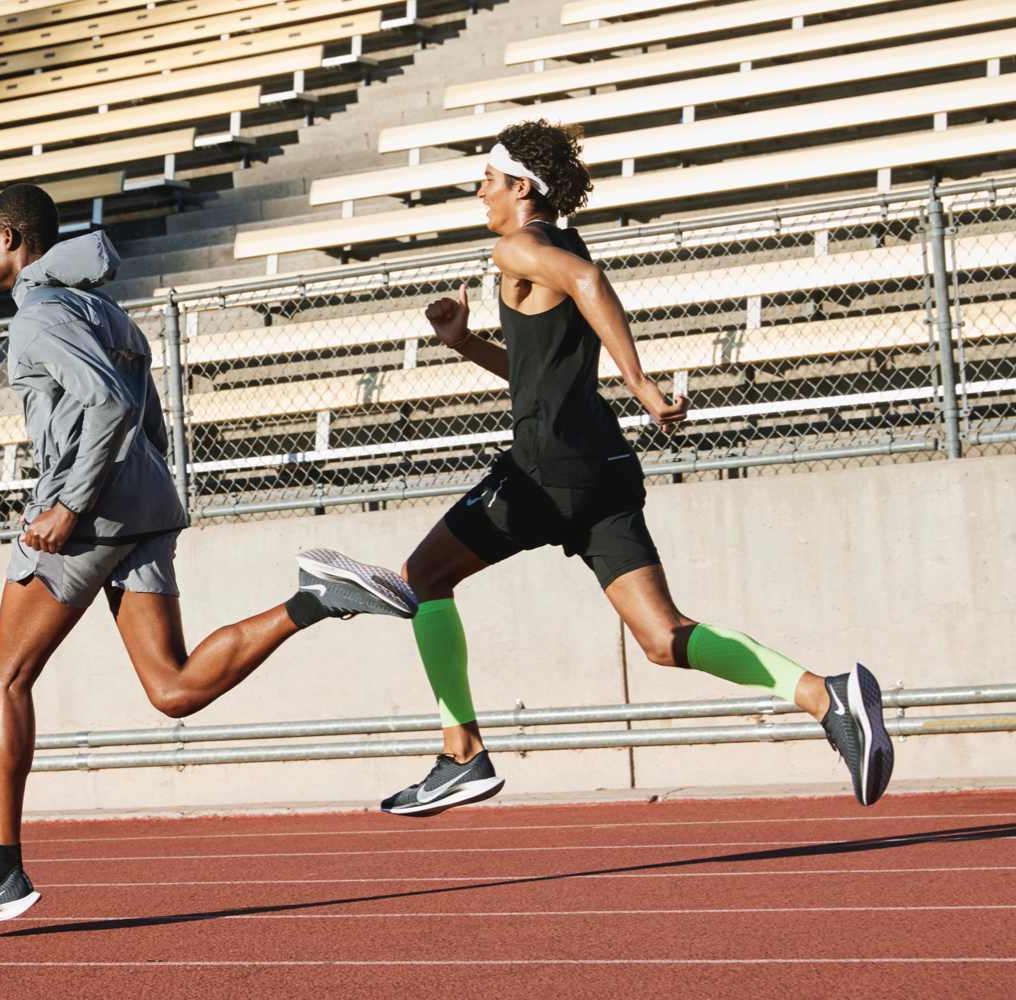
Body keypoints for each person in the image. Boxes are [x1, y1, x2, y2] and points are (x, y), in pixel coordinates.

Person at [0, 183, 420, 932]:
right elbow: (148, 421)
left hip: (86, 514)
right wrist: (143, 503)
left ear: (11, 239)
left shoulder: (39, 315)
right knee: (173, 689)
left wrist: (69, 505)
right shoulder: (109, 311)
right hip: (143, 508)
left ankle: (1, 871)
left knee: (6, 676)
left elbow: (110, 405)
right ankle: (314, 598)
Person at [375, 120, 895, 820]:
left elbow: (590, 283)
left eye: (488, 182)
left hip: (548, 467)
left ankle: (462, 753)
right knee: (662, 636)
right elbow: (536, 372)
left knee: (423, 577)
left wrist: (642, 382)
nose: (479, 194)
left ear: (521, 188)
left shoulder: (519, 246)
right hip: (600, 463)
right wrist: (465, 342)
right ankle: (827, 696)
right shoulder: (558, 245)